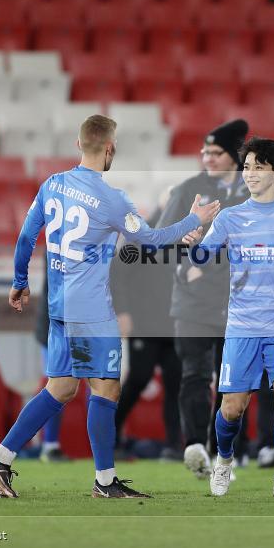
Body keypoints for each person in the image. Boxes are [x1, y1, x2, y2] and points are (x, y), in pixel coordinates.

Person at [0, 114, 219, 499]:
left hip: (56, 304)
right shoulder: (111, 198)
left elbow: (25, 237)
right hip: (89, 308)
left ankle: (0, 459)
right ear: (109, 148)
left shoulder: (53, 185)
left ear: (78, 145)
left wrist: (19, 282)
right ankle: (105, 483)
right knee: (105, 387)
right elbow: (152, 240)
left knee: (61, 387)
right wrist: (194, 219)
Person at [185, 137, 274, 498]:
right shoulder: (231, 217)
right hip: (243, 327)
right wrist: (192, 241)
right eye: (246, 167)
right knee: (232, 408)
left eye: (258, 167)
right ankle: (225, 459)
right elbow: (202, 258)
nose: (250, 174)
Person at [156, 119, 274, 479]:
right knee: (194, 374)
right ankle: (195, 445)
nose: (207, 157)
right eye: (204, 151)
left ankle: (224, 449)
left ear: (235, 157)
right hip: (193, 301)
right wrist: (182, 247)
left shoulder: (254, 192)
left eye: (216, 152)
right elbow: (158, 240)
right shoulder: (188, 189)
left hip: (240, 301)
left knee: (233, 380)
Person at [110, 197, 184, 461]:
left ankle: (175, 445)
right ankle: (112, 436)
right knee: (138, 380)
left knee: (177, 386)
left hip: (175, 325)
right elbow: (117, 275)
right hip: (144, 325)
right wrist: (123, 312)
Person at [34, 255, 68, 462]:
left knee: (101, 385)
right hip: (56, 326)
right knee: (57, 387)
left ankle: (107, 452)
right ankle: (48, 444)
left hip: (80, 324)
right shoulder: (62, 233)